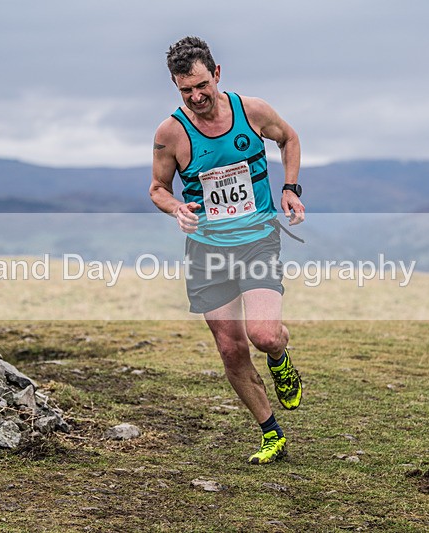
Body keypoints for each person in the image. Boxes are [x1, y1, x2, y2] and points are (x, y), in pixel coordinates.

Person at [149, 36, 305, 464]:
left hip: (257, 240)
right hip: (208, 251)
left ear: (217, 74)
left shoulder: (251, 111)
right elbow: (158, 189)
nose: (196, 97)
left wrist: (289, 189)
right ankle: (271, 432)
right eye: (186, 91)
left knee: (264, 334)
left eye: (202, 85)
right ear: (176, 88)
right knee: (231, 348)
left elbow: (288, 138)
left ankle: (279, 356)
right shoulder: (170, 133)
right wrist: (177, 208)